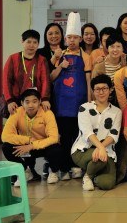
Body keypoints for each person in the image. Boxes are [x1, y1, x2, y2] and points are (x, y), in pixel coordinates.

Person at [50, 12, 92, 180]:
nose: (72, 40)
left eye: (75, 37)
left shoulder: (86, 57)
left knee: (77, 134)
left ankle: (76, 165)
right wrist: (60, 64)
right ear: (65, 39)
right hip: (61, 102)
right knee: (64, 135)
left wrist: (89, 101)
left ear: (80, 39)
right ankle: (64, 167)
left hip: (79, 101)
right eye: (69, 38)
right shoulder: (59, 55)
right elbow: (51, 77)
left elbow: (88, 80)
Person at [2, 88, 70, 185]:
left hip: (43, 146)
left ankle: (53, 172)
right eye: (27, 102)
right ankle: (25, 171)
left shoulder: (47, 113)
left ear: (40, 102)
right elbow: (5, 136)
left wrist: (32, 145)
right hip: (26, 145)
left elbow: (54, 138)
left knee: (56, 149)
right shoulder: (16, 112)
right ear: (22, 103)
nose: (31, 105)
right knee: (6, 147)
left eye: (34, 101)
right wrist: (28, 140)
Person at [71, 74, 122, 191]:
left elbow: (114, 135)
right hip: (83, 150)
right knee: (100, 158)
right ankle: (87, 176)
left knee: (107, 184)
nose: (101, 92)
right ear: (93, 91)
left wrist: (101, 148)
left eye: (104, 88)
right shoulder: (84, 108)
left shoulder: (117, 112)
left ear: (110, 90)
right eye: (97, 89)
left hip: (106, 151)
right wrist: (101, 148)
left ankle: (93, 172)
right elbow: (87, 132)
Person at [2, 29, 51, 114]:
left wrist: (44, 99)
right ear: (22, 41)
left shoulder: (42, 60)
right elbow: (6, 80)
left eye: (35, 42)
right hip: (16, 102)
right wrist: (10, 100)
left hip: (36, 102)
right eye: (28, 42)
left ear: (38, 44)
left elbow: (45, 81)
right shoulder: (13, 58)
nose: (31, 45)